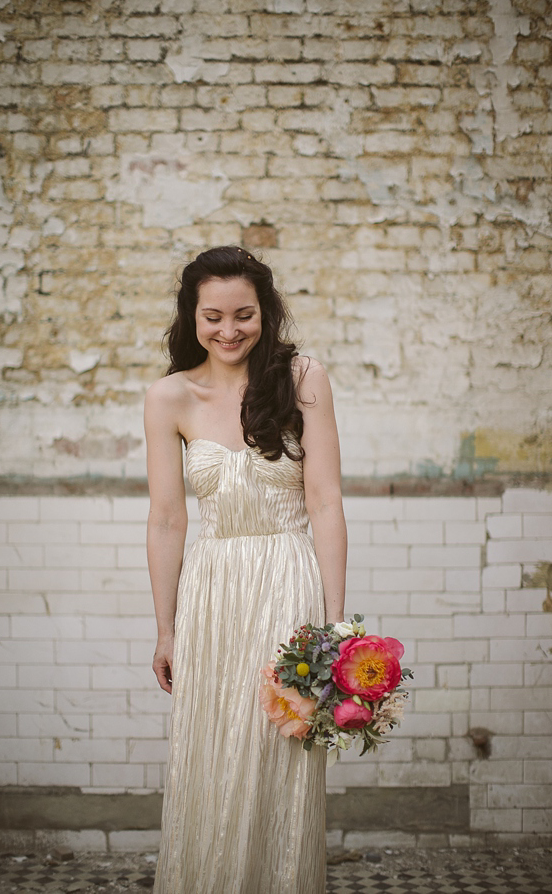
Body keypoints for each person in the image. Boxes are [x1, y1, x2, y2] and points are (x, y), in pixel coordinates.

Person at [145, 245, 347, 894]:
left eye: (244, 314)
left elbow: (325, 500)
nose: (229, 330)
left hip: (288, 582)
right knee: (211, 761)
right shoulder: (167, 397)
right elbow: (167, 520)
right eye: (213, 316)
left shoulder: (303, 376)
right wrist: (165, 629)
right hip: (211, 594)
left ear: (266, 312)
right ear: (191, 317)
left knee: (280, 758)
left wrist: (335, 630)